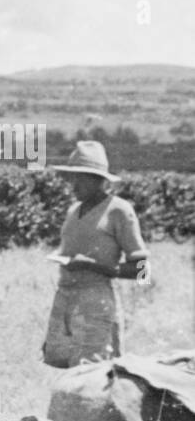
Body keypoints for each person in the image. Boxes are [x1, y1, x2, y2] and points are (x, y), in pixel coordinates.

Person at [42, 141, 150, 368]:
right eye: (71, 177)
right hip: (65, 299)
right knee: (66, 370)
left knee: (94, 375)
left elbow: (142, 270)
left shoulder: (119, 210)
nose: (73, 184)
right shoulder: (73, 210)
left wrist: (94, 266)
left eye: (80, 177)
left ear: (98, 179)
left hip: (95, 301)